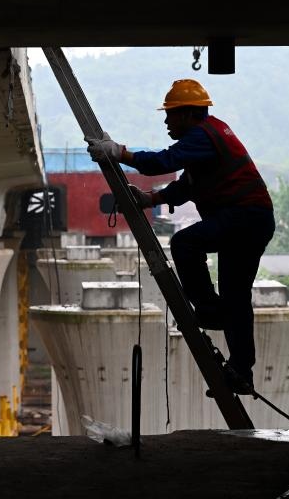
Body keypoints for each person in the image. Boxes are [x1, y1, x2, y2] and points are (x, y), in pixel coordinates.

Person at [85, 78, 275, 395]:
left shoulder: (203, 135)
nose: (166, 121)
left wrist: (119, 153)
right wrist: (151, 200)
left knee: (185, 244)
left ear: (187, 114)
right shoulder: (211, 135)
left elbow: (162, 162)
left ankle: (208, 309)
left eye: (170, 114)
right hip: (250, 221)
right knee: (235, 300)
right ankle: (241, 371)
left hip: (243, 218)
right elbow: (187, 185)